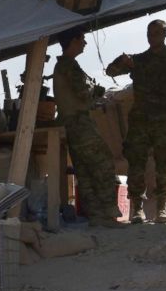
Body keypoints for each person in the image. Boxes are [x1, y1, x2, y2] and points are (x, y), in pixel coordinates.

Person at [106, 20, 166, 224]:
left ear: (165, 34)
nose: (152, 37)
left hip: (165, 120)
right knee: (136, 164)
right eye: (149, 33)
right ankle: (137, 209)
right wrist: (122, 61)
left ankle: (161, 208)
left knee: (164, 165)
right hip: (140, 121)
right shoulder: (139, 60)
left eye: (156, 33)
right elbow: (110, 71)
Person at [52, 26, 122, 227]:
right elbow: (83, 92)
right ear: (73, 41)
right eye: (82, 39)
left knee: (85, 170)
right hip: (79, 123)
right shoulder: (69, 66)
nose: (85, 43)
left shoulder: (63, 66)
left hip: (71, 123)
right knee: (103, 164)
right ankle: (108, 211)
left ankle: (97, 216)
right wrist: (97, 93)